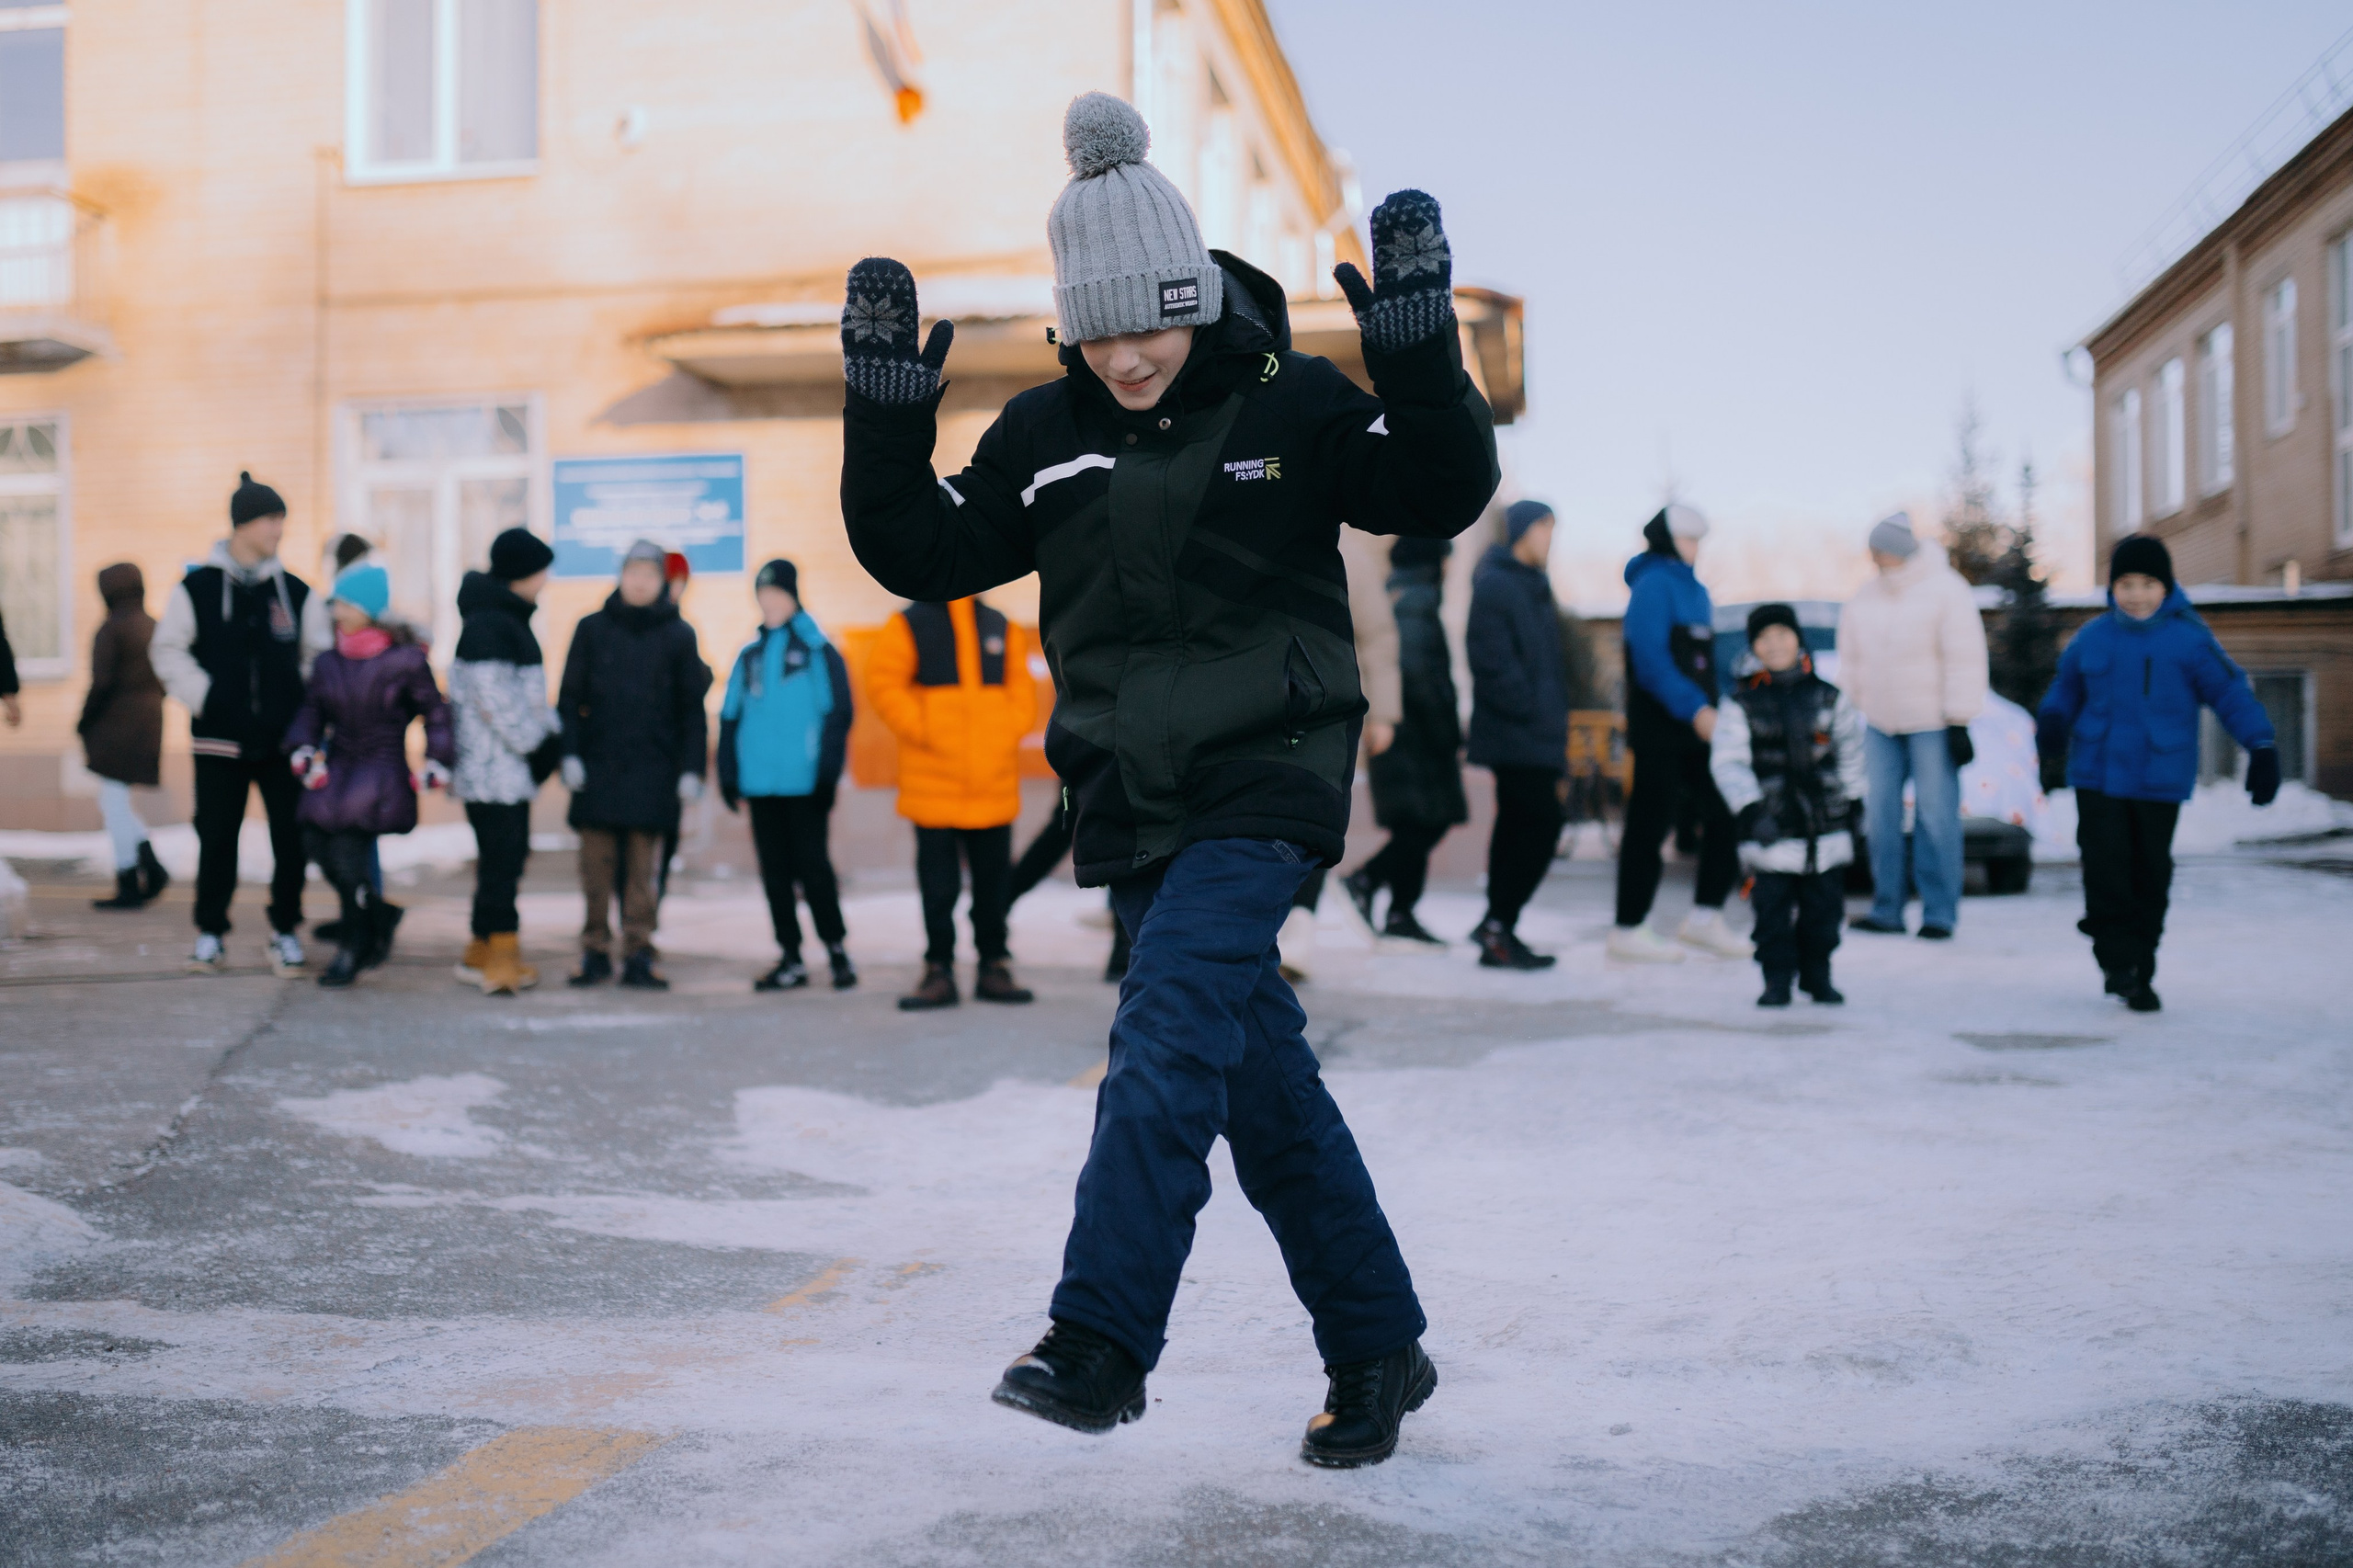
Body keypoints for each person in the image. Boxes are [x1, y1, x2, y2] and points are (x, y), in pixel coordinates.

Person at [839, 93, 1495, 1467]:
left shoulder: (1295, 401)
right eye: (1099, 327)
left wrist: (1420, 357)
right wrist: (887, 421)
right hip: (1133, 802)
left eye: (1152, 319)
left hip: (1268, 773)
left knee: (1162, 1045)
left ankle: (1101, 1338)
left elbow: (1433, 485)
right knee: (1261, 1088)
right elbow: (924, 551)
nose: (1129, 354)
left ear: (1194, 296)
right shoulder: (1042, 434)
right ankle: (1379, 1342)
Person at [2036, 535, 2278, 1013]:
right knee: (2105, 868)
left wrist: (2262, 745)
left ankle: (2141, 966)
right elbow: (2064, 690)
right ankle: (2117, 961)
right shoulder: (2093, 637)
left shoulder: (2188, 638)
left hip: (2157, 777)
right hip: (2098, 774)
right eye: (2126, 584)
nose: (2137, 594)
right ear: (2112, 587)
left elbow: (2231, 695)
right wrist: (2052, 722)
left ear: (2166, 586)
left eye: (2148, 583)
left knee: (2149, 873)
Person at [151, 472, 335, 975]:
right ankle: (211, 933)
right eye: (272, 519)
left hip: (282, 742)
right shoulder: (197, 589)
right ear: (244, 523)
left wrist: (295, 706)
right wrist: (207, 697)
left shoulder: (296, 593)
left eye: (281, 519)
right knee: (216, 836)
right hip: (218, 740)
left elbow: (317, 657)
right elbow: (167, 651)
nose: (279, 529)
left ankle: (285, 932)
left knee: (289, 840)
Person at [281, 563, 454, 987]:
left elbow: (436, 712)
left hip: (381, 768)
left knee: (347, 848)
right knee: (311, 837)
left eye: (343, 604)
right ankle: (374, 913)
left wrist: (437, 760)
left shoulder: (405, 661)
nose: (335, 612)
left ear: (368, 609)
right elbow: (311, 711)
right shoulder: (329, 662)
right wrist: (302, 747)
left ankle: (355, 943)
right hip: (337, 764)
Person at [868, 595, 1040, 1009]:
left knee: (993, 883)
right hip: (933, 784)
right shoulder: (908, 623)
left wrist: (1003, 730)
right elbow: (882, 682)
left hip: (992, 783)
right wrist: (925, 728)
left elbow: (1023, 690)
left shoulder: (1000, 624)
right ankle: (938, 969)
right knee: (938, 885)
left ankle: (993, 965)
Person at [557, 538, 710, 990]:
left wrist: (690, 769)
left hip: (654, 770)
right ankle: (595, 951)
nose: (639, 582)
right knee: (595, 870)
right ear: (620, 576)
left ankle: (640, 952)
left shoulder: (679, 635)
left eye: (649, 575)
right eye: (632, 573)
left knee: (643, 874)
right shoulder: (590, 628)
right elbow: (568, 698)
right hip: (599, 767)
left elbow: (691, 710)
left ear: (661, 582)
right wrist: (570, 753)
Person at [1836, 511, 1988, 940]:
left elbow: (1965, 657)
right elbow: (1851, 662)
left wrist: (1959, 720)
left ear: (1899, 549)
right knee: (1879, 817)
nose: (1875, 557)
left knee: (1935, 817)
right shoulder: (1864, 597)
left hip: (1933, 723)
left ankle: (1939, 913)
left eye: (1880, 549)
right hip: (1879, 723)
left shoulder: (1946, 590)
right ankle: (1887, 908)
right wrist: (1843, 713)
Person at [1608, 504, 1748, 963]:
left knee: (1726, 811)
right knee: (1650, 824)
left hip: (1698, 725)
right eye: (1688, 540)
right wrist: (1695, 710)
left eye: (1698, 541)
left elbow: (1705, 663)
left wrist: (1717, 709)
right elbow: (1650, 661)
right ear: (1667, 540)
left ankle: (1705, 920)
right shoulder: (1652, 585)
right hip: (1662, 728)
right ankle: (1628, 928)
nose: (1695, 550)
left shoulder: (1697, 590)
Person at [1710, 604, 1867, 1007]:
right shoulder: (1741, 704)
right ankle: (1776, 978)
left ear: (1798, 640)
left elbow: (1850, 751)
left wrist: (1852, 802)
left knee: (1824, 914)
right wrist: (1750, 809)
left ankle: (1818, 974)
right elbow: (1729, 762)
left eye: (1783, 634)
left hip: (1825, 829)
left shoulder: (1828, 697)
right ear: (1754, 647)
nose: (1775, 644)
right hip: (1771, 829)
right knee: (1772, 915)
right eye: (1765, 637)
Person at [717, 558, 858, 994]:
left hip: (803, 783)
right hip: (761, 784)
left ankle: (836, 949)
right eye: (763, 593)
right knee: (774, 872)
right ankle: (791, 956)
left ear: (793, 595)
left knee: (813, 868)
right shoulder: (750, 654)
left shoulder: (817, 649)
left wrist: (827, 774)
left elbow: (839, 714)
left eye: (777, 593)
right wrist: (728, 771)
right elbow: (730, 716)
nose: (770, 601)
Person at [1275, 527, 1402, 982]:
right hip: (1261, 706)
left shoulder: (1349, 548)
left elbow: (1377, 635)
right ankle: (1274, 929)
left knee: (1315, 820)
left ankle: (1299, 933)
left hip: (1328, 708)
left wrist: (1384, 714)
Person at [448, 527, 562, 996]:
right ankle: (502, 959)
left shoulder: (497, 618)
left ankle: (479, 950)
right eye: (541, 571)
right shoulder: (491, 625)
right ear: (522, 573)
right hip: (496, 772)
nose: (546, 581)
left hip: (496, 771)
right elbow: (500, 702)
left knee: (498, 861)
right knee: (503, 864)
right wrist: (542, 743)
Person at [1344, 536, 1466, 946]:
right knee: (1423, 824)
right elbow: (1416, 673)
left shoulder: (1401, 592)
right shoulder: (1416, 600)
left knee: (1419, 824)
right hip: (1416, 739)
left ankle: (1400, 912)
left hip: (1408, 736)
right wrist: (1446, 729)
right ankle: (1369, 882)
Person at [1465, 500, 1570, 969]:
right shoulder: (1497, 584)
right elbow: (1490, 659)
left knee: (1517, 829)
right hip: (1518, 732)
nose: (1551, 538)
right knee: (1540, 825)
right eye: (1545, 528)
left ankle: (1497, 927)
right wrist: (1529, 708)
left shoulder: (1533, 586)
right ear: (1523, 531)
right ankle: (1498, 924)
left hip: (1535, 732)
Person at [79, 563, 171, 910]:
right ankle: (150, 865)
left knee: (113, 802)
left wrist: (84, 722)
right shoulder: (153, 626)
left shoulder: (112, 630)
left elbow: (100, 683)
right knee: (115, 800)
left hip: (116, 727)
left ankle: (129, 878)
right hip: (148, 723)